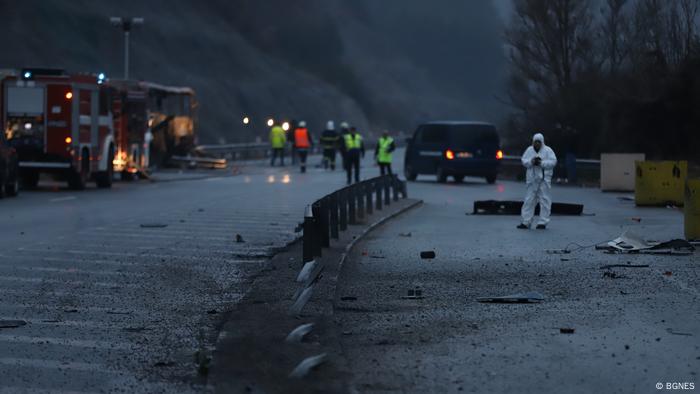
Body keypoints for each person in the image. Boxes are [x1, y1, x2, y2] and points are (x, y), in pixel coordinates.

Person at [518, 133, 557, 229]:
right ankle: (526, 222)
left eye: (539, 142)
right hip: (532, 180)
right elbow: (524, 160)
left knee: (544, 200)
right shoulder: (529, 150)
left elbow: (553, 162)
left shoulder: (548, 151)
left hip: (544, 181)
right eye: (535, 142)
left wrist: (541, 163)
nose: (537, 144)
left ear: (542, 142)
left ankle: (542, 222)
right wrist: (531, 162)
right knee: (529, 200)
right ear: (533, 142)